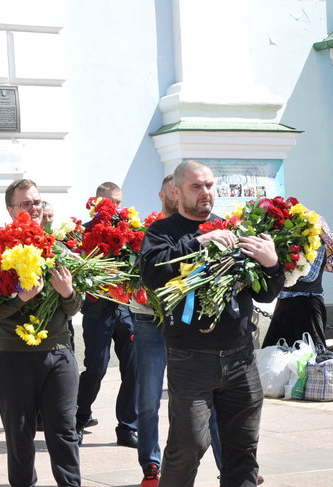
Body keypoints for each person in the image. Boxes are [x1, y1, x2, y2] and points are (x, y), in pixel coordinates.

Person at [140, 160, 284, 487]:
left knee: (243, 449)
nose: (205, 192)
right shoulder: (162, 232)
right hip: (191, 358)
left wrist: (272, 264)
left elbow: (266, 293)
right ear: (176, 192)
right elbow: (151, 273)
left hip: (240, 357)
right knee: (189, 445)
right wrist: (199, 243)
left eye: (209, 185)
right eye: (196, 186)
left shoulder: (235, 229)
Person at [0, 178, 82, 487]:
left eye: (37, 202)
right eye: (26, 203)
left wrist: (68, 293)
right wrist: (21, 299)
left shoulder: (58, 248)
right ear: (10, 210)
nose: (34, 208)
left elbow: (73, 308)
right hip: (15, 354)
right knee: (19, 436)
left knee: (64, 431)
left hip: (57, 352)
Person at [75, 182, 138, 448]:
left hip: (125, 308)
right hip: (97, 308)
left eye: (119, 203)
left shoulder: (131, 230)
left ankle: (127, 427)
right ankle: (79, 418)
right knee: (96, 367)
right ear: (98, 202)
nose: (116, 209)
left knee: (133, 368)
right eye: (111, 202)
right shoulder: (84, 232)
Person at [131, 175, 176, 487]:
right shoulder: (147, 230)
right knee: (148, 399)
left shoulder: (202, 229)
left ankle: (233, 464)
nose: (177, 195)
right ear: (163, 194)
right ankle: (151, 465)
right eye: (172, 190)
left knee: (206, 398)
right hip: (149, 321)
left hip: (188, 324)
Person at [262, 243, 328, 349]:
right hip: (285, 300)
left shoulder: (318, 242)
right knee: (274, 350)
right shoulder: (287, 241)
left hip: (308, 302)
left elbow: (311, 276)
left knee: (310, 354)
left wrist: (286, 270)